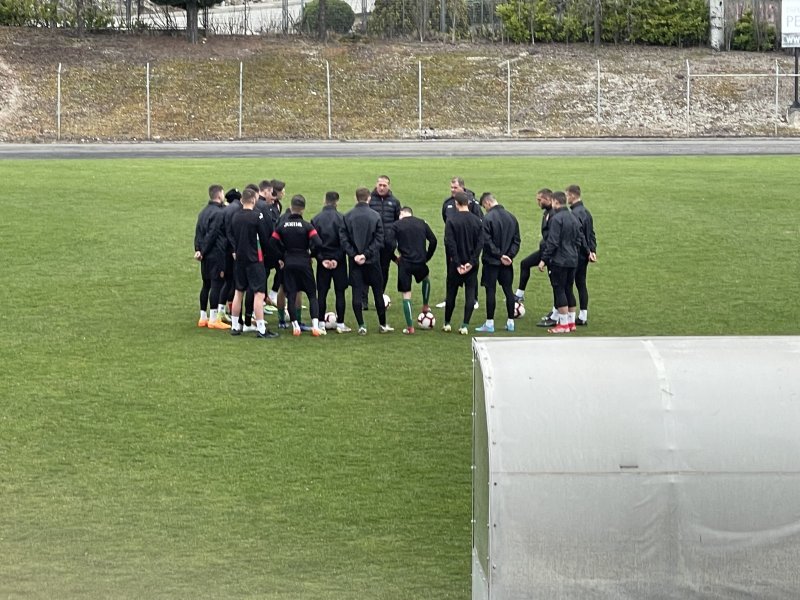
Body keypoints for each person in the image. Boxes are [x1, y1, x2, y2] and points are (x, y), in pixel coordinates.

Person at [340, 187, 393, 335]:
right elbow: (379, 239)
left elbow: (343, 239)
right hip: (373, 261)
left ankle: (362, 325)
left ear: (355, 198)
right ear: (369, 198)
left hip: (355, 262)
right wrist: (367, 254)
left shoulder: (348, 216)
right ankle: (382, 325)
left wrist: (354, 254)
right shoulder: (375, 216)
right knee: (377, 293)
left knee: (357, 293)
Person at [270, 194, 325, 337]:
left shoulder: (282, 226)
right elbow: (318, 243)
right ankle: (314, 326)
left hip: (289, 262)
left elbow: (272, 243)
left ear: (291, 207)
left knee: (292, 294)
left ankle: (295, 326)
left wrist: (281, 257)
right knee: (312, 295)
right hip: (304, 262)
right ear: (303, 209)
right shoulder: (307, 226)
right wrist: (311, 254)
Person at [228, 187, 279, 339]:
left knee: (239, 291)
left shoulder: (235, 216)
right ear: (254, 199)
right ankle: (261, 328)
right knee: (259, 293)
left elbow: (231, 235)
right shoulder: (258, 216)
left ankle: (235, 325)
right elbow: (264, 238)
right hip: (255, 259)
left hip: (240, 258)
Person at [386, 206, 437, 334]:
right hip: (420, 261)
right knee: (426, 278)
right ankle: (425, 305)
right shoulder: (422, 222)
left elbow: (388, 243)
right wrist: (427, 256)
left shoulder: (396, 225)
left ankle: (410, 327)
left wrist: (394, 258)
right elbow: (433, 240)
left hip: (405, 263)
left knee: (406, 294)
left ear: (402, 214)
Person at [475, 192, 521, 334]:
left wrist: (499, 255)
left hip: (491, 262)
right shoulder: (512, 218)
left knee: (491, 291)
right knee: (508, 291)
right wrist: (509, 256)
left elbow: (486, 241)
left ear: (488, 203)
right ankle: (510, 322)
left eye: (484, 206)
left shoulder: (488, 219)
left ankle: (490, 323)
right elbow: (516, 240)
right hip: (507, 263)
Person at [538, 191, 580, 334]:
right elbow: (579, 239)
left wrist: (543, 260)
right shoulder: (574, 217)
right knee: (569, 288)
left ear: (555, 202)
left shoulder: (557, 219)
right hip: (573, 259)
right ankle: (571, 322)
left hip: (559, 260)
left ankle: (563, 325)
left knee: (559, 289)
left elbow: (553, 242)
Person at [437, 177, 482, 309]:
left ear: (462, 187)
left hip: (469, 243)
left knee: (472, 268)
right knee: (450, 269)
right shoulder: (448, 203)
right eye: (451, 187)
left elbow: (479, 223)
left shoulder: (473, 203)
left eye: (455, 187)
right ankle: (449, 298)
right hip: (451, 244)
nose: (452, 190)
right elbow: (446, 219)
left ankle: (474, 299)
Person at [443, 191, 483, 335]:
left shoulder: (452, 220)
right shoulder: (477, 221)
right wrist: (471, 262)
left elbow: (450, 243)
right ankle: (465, 325)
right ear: (469, 203)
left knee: (451, 293)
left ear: (456, 203)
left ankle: (447, 323)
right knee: (470, 293)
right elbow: (480, 244)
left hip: (456, 264)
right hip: (472, 264)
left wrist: (458, 263)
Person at [311, 191, 351, 333]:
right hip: (338, 262)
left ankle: (321, 322)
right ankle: (340, 323)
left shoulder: (316, 219)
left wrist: (322, 259)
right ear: (337, 202)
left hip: (323, 263)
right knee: (340, 292)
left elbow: (313, 244)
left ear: (324, 200)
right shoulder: (342, 219)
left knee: (322, 293)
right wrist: (336, 259)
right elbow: (345, 243)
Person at [194, 184, 230, 330]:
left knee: (206, 284)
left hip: (205, 256)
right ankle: (214, 318)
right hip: (215, 253)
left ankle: (203, 317)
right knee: (216, 284)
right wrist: (203, 250)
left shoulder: (203, 212)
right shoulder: (219, 213)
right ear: (220, 195)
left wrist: (198, 250)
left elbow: (199, 233)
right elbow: (212, 234)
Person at [566, 184, 597, 326]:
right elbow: (591, 234)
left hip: (576, 254)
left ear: (572, 195)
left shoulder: (574, 214)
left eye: (567, 195)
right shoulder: (586, 212)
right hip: (585, 255)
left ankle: (567, 315)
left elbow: (580, 236)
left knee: (568, 284)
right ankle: (583, 315)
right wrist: (592, 251)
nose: (566, 198)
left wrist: (587, 250)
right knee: (581, 283)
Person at [368, 175, 401, 298]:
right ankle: (364, 300)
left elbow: (398, 222)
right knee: (368, 269)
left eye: (384, 185)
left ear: (389, 186)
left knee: (384, 269)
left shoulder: (395, 202)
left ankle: (380, 295)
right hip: (371, 242)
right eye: (380, 185)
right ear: (376, 185)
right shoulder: (370, 200)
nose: (382, 188)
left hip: (388, 243)